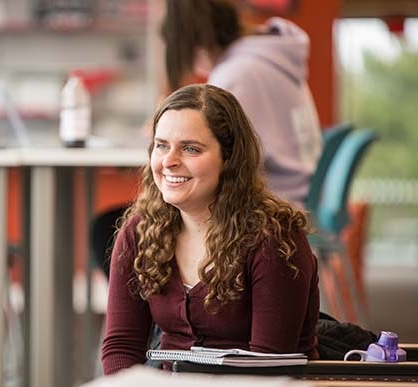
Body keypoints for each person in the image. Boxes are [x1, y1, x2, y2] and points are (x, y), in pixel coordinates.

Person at [91, 0, 322, 277]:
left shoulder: (237, 75)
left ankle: (166, 315)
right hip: (293, 192)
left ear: (194, 37)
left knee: (116, 229)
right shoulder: (272, 58)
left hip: (266, 200)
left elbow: (220, 155)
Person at [101, 84, 320, 374]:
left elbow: (266, 370)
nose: (169, 161)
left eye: (190, 148)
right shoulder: (140, 230)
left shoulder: (273, 239)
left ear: (229, 159)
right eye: (161, 145)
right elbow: (122, 347)